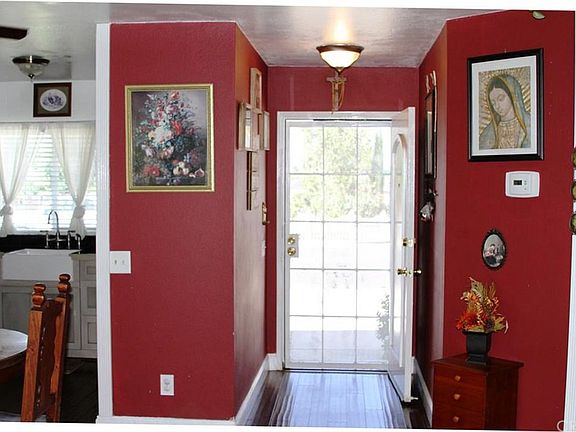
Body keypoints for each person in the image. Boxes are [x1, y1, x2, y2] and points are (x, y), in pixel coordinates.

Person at [479, 74, 531, 150]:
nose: (497, 106)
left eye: (501, 99)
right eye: (493, 103)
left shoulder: (529, 124)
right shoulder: (489, 133)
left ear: (512, 96)